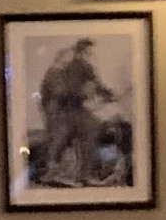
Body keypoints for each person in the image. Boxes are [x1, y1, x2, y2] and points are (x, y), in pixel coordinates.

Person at [36, 37, 120, 184]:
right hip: (65, 110)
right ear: (81, 52)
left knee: (92, 127)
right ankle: (57, 172)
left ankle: (83, 173)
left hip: (75, 109)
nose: (91, 56)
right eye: (88, 53)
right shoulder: (70, 68)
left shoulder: (86, 68)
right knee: (68, 132)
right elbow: (65, 93)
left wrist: (109, 95)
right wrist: (87, 94)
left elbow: (96, 84)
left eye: (91, 53)